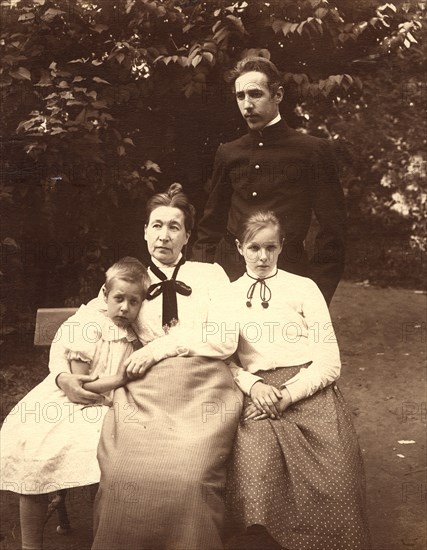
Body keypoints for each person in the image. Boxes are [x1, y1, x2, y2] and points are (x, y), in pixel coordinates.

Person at [50, 183, 242, 550]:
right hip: (145, 390)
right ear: (144, 231)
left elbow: (225, 339)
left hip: (206, 385)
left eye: (174, 227)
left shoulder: (210, 275)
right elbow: (79, 325)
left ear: (187, 235)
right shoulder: (131, 280)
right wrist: (61, 374)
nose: (164, 235)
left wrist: (161, 348)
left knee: (190, 477)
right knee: (124, 474)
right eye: (156, 225)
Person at [225, 211, 371, 550]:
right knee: (256, 471)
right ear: (239, 247)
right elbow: (223, 361)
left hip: (308, 390)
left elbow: (329, 362)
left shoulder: (304, 288)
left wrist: (289, 394)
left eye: (270, 248)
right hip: (258, 395)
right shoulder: (226, 296)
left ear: (282, 247)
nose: (262, 257)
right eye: (253, 247)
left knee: (337, 476)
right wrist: (253, 386)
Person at [0, 257, 150, 550]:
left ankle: (106, 539)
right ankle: (31, 544)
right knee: (37, 449)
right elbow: (83, 385)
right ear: (104, 295)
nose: (125, 308)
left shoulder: (131, 331)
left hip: (106, 404)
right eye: (119, 299)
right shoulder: (88, 324)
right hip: (73, 401)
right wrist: (121, 378)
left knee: (116, 452)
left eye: (134, 302)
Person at [192, 56, 346, 305]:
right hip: (230, 280)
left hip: (288, 280)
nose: (247, 105)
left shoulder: (312, 150)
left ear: (278, 95)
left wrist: (315, 293)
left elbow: (333, 232)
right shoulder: (229, 152)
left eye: (255, 94)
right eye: (240, 96)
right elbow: (210, 227)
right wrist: (202, 279)